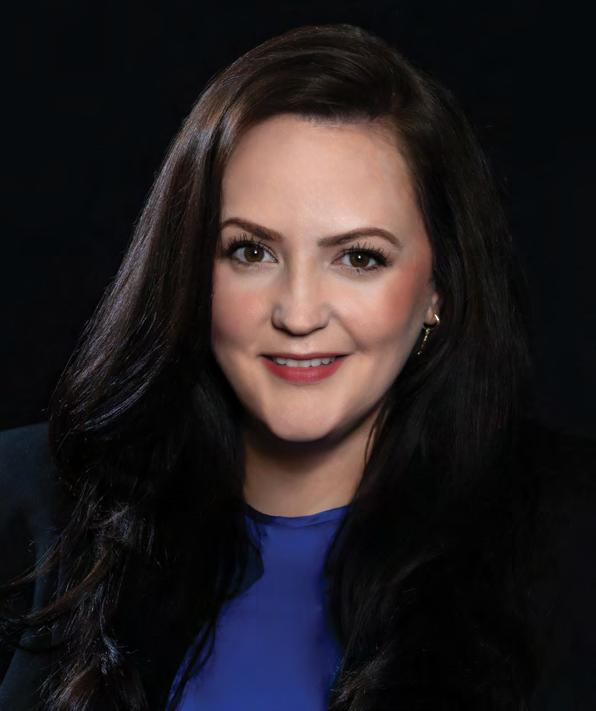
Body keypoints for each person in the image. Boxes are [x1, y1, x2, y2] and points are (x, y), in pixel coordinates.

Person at [1, 22, 595, 711]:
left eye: (360, 257)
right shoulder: (25, 503)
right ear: (191, 269)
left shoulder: (574, 540)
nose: (299, 312)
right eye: (251, 252)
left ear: (440, 289)